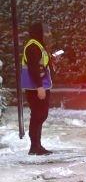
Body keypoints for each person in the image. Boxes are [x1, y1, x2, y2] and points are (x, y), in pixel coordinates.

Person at [22, 23, 53, 155]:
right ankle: (34, 146)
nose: (46, 34)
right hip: (35, 87)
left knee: (40, 115)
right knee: (37, 115)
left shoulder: (37, 45)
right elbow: (33, 68)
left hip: (38, 86)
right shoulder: (33, 46)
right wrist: (39, 87)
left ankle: (37, 145)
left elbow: (40, 63)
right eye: (44, 32)